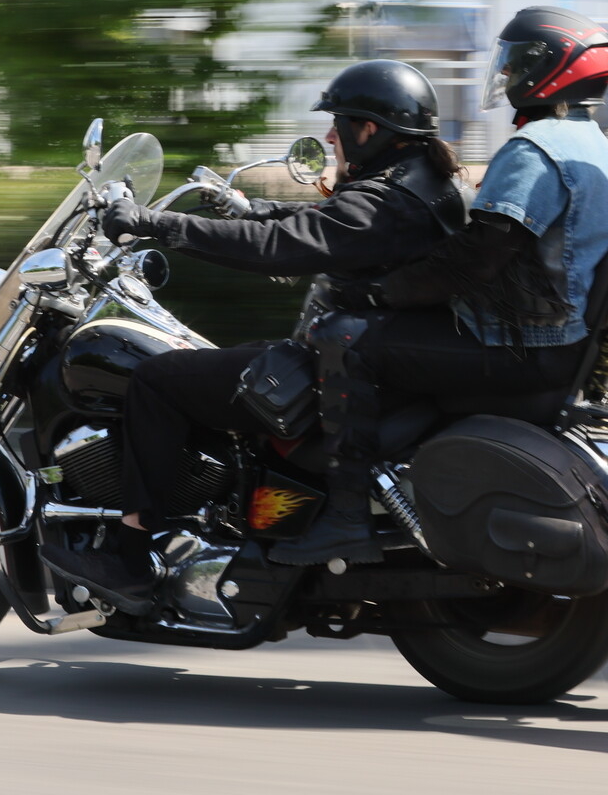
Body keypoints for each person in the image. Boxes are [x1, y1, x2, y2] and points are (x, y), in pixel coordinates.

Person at [40, 59, 466, 613]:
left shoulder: (388, 202)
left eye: (340, 122)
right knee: (221, 363)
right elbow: (321, 225)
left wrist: (152, 224)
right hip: (366, 362)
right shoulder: (421, 184)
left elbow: (286, 245)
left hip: (346, 370)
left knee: (157, 379)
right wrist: (251, 207)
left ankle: (130, 554)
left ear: (373, 130)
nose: (331, 134)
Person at [265, 5, 608, 567]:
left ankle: (344, 514)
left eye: (518, 63)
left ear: (552, 68)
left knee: (346, 334)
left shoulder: (536, 149)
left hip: (528, 347)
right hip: (564, 346)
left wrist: (376, 292)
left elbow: (476, 259)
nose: (508, 75)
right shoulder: (596, 149)